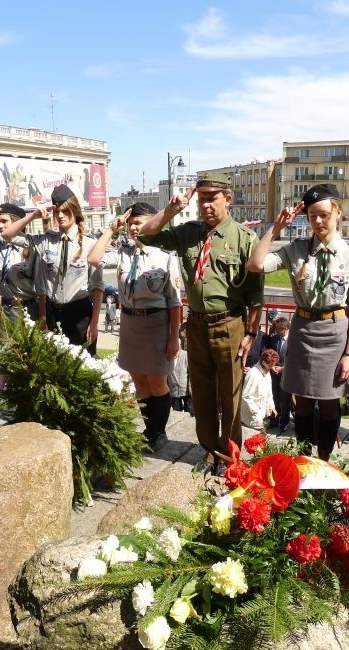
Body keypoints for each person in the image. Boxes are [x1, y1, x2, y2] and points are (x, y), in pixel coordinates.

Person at [137, 173, 264, 473]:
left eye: (212, 198)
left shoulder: (244, 238)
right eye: (202, 198)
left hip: (230, 323)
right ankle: (209, 451)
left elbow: (256, 294)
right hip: (196, 324)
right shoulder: (188, 233)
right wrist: (171, 210)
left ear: (227, 199)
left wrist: (252, 332)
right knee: (202, 392)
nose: (206, 205)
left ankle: (229, 456)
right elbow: (145, 234)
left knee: (230, 395)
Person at [247, 183, 349, 460]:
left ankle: (323, 460)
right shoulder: (296, 250)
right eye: (312, 215)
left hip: (335, 332)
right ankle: (303, 459)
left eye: (324, 214)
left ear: (338, 213)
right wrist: (275, 229)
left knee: (328, 403)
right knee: (300, 401)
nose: (318, 221)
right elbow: (255, 265)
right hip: (302, 331)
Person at [87, 202, 181, 451]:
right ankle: (148, 430)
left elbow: (174, 302)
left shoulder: (165, 256)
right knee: (140, 382)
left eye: (139, 222)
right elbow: (93, 258)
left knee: (158, 382)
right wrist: (111, 230)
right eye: (131, 224)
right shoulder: (122, 253)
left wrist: (174, 337)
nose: (134, 228)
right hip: (130, 325)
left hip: (157, 324)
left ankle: (158, 432)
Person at [2, 184, 103, 356]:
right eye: (57, 212)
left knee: (84, 366)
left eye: (65, 211)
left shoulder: (90, 243)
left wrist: (94, 323)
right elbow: (7, 235)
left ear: (75, 211)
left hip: (80, 314)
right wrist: (33, 215)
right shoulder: (46, 241)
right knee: (54, 366)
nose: (60, 216)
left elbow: (97, 286)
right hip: (53, 313)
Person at [240, 349, 278, 430]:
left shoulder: (267, 372)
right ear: (264, 363)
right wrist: (256, 414)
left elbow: (269, 392)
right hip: (252, 417)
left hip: (263, 414)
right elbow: (246, 397)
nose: (272, 367)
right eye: (271, 365)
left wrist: (272, 407)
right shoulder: (253, 374)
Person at [267, 316, 292, 433]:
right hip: (273, 374)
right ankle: (274, 420)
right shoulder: (274, 339)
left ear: (285, 328)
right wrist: (271, 366)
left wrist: (283, 369)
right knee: (273, 398)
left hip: (286, 375)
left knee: (285, 400)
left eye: (279, 329)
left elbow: (295, 360)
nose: (277, 331)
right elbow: (269, 354)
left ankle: (284, 422)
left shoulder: (293, 340)